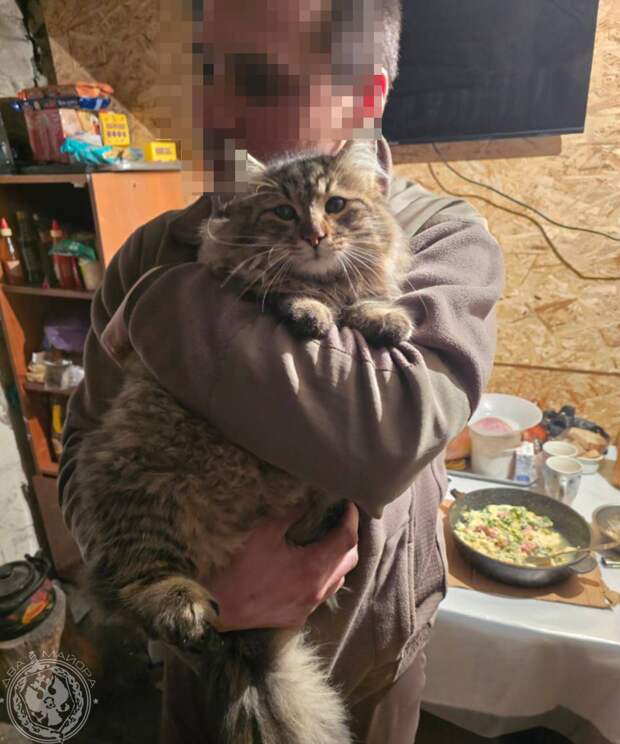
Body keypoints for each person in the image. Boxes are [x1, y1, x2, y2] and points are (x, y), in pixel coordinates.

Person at [59, 1, 504, 742]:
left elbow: (390, 434)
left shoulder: (446, 240)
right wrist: (190, 594)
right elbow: (83, 453)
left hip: (369, 671)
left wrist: (166, 307)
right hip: (191, 660)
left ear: (364, 98)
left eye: (262, 81)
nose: (214, 111)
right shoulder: (148, 250)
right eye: (207, 73)